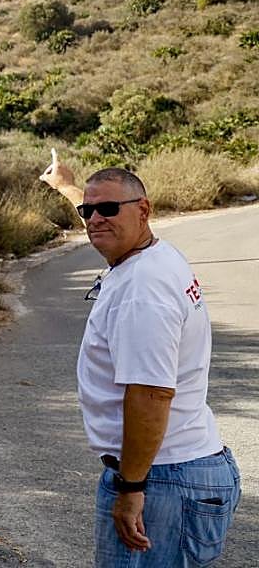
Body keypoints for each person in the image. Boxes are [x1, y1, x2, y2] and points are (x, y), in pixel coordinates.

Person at [39, 151, 242, 566]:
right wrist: (66, 186)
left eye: (107, 209)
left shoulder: (142, 290)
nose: (95, 219)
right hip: (179, 469)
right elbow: (105, 223)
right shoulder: (153, 255)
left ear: (144, 210)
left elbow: (150, 394)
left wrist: (132, 489)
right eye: (87, 210)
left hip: (162, 480)